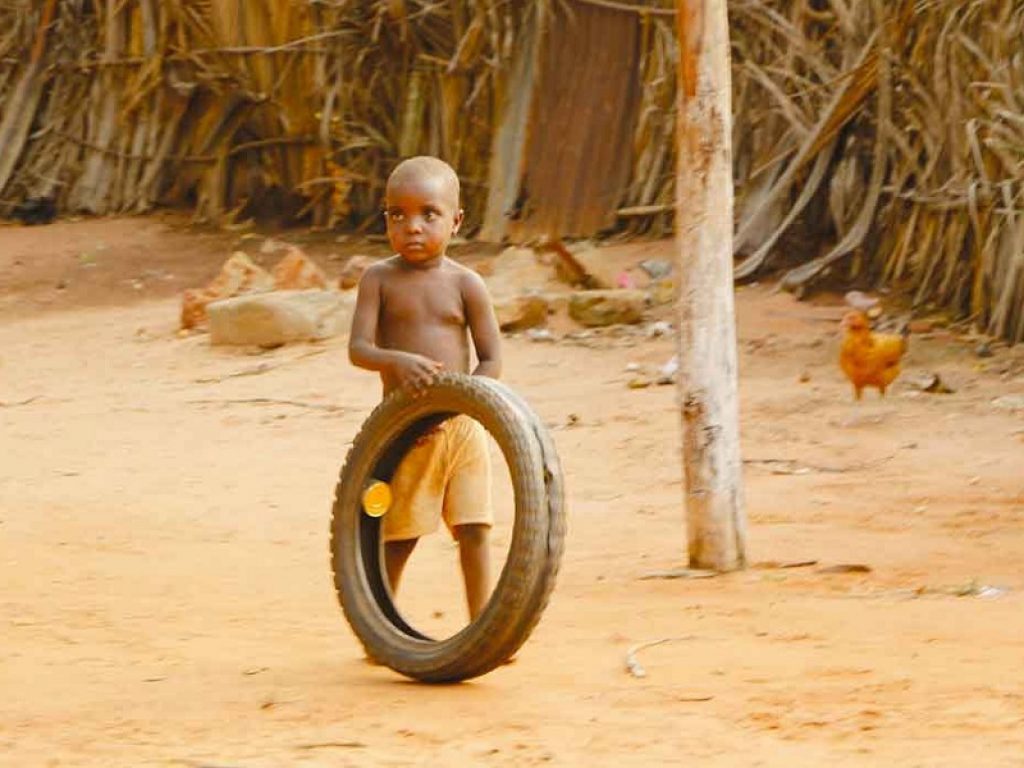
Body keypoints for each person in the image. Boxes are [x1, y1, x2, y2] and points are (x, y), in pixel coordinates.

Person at [348, 156, 502, 621]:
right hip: (407, 430)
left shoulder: (466, 284)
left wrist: (467, 406)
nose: (412, 226)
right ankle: (382, 628)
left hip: (462, 427)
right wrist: (395, 360)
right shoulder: (378, 279)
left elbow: (492, 358)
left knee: (475, 529)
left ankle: (484, 625)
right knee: (400, 536)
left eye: (428, 214)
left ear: (455, 221)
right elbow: (358, 349)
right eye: (398, 214)